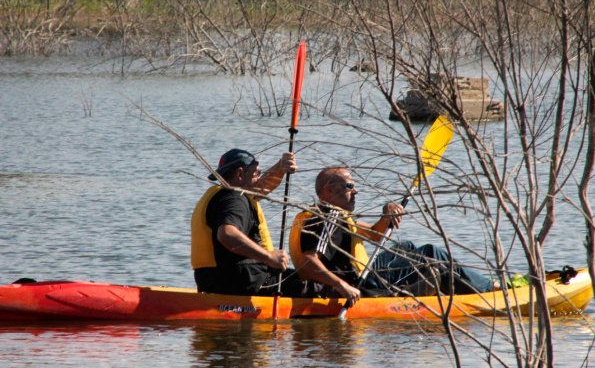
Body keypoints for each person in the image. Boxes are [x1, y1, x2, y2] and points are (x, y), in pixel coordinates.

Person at [289, 166, 498, 306]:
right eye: (349, 186)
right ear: (328, 191)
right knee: (430, 253)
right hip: (360, 285)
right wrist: (342, 286)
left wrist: (387, 213)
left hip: (360, 277)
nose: (356, 191)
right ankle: (492, 291)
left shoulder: (329, 214)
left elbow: (374, 235)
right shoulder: (327, 217)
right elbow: (309, 261)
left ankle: (431, 284)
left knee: (406, 246)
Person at [191, 148, 311, 297]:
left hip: (213, 280)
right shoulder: (234, 200)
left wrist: (280, 167)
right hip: (242, 282)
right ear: (240, 173)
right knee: (314, 286)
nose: (259, 179)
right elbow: (227, 234)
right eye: (256, 174)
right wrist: (269, 257)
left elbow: (260, 188)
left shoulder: (222, 194)